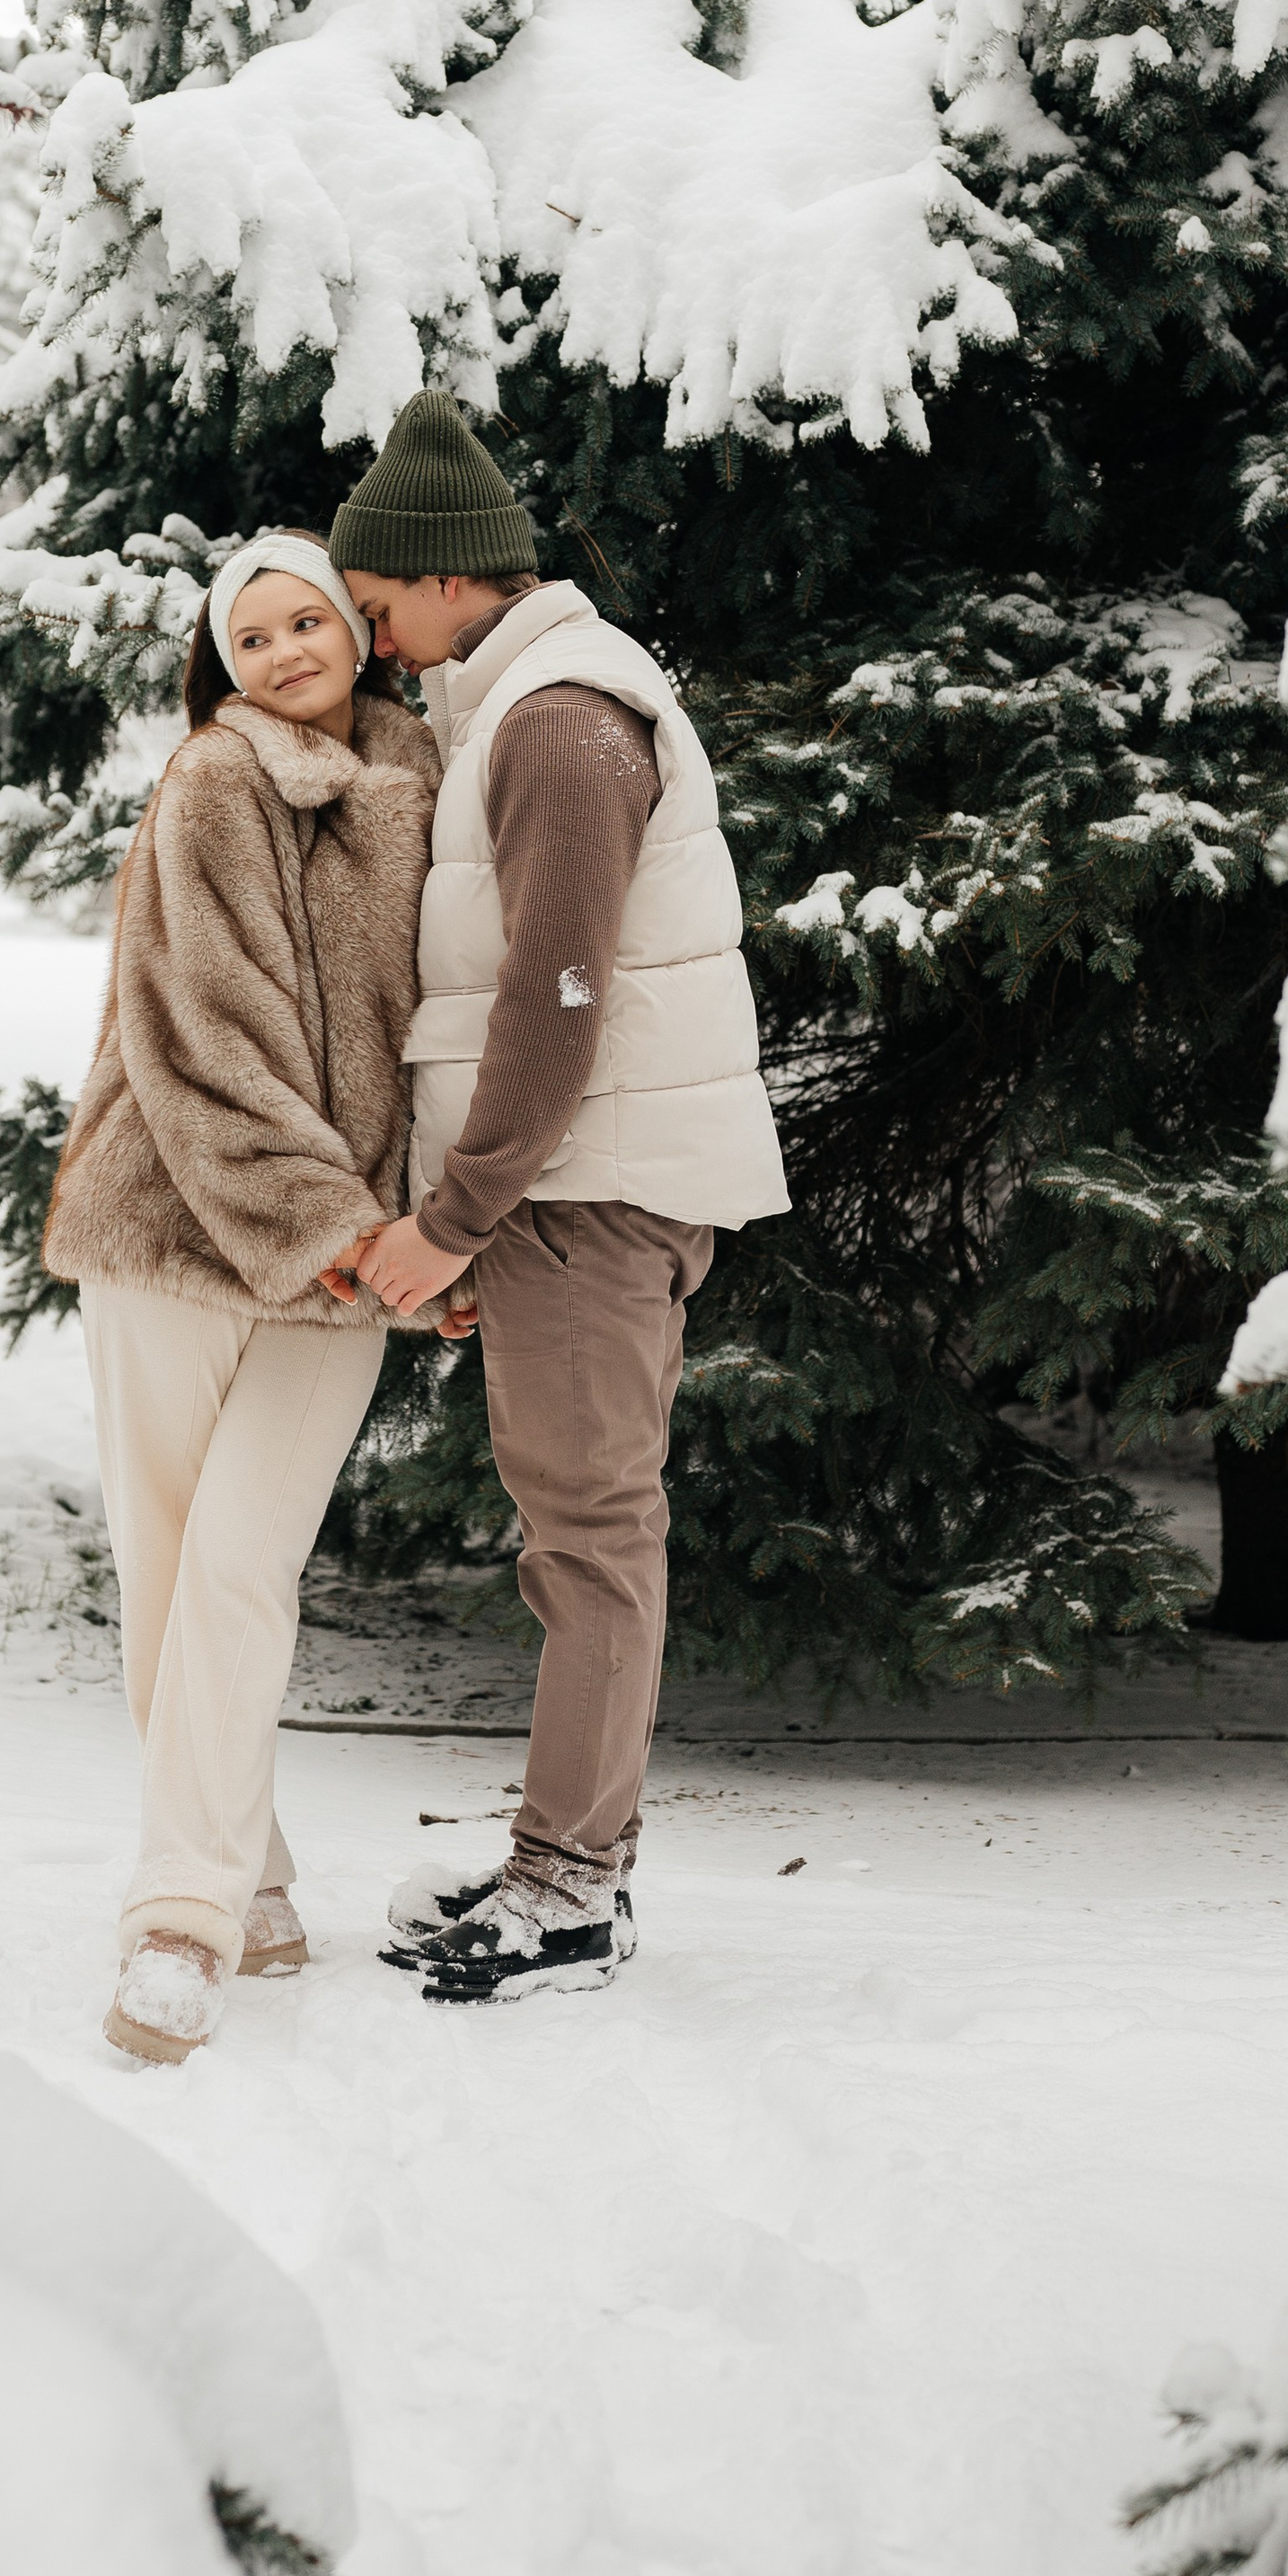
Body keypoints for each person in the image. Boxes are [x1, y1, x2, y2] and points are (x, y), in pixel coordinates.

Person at [332, 392, 790, 2005]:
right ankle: (561, 1853)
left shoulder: (556, 719)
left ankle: (571, 1889)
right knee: (577, 1530)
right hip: (571, 1195)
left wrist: (454, 1216)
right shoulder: (532, 704)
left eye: (377, 603)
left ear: (449, 577)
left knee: (592, 1533)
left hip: (590, 1194)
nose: (372, 639)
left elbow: (558, 1003)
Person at [42, 531, 454, 2065]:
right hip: (174, 1226)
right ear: (227, 663)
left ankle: (201, 1889)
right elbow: (205, 1039)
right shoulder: (211, 784)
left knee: (242, 1563)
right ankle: (206, 1909)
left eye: (308, 621)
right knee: (172, 1565)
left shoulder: (429, 783)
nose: (286, 653)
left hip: (342, 1258)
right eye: (254, 636)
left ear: (357, 628)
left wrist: (423, 1232)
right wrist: (338, 1224)